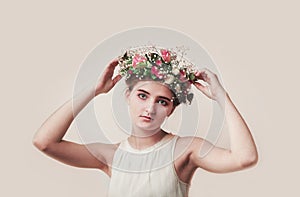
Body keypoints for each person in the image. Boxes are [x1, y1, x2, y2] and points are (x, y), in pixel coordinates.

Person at [33, 46, 258, 197]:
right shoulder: (111, 156)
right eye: (142, 96)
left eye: (162, 102)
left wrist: (222, 97)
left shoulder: (186, 150)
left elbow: (245, 158)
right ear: (127, 96)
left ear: (170, 110)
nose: (150, 108)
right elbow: (44, 142)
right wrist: (93, 91)